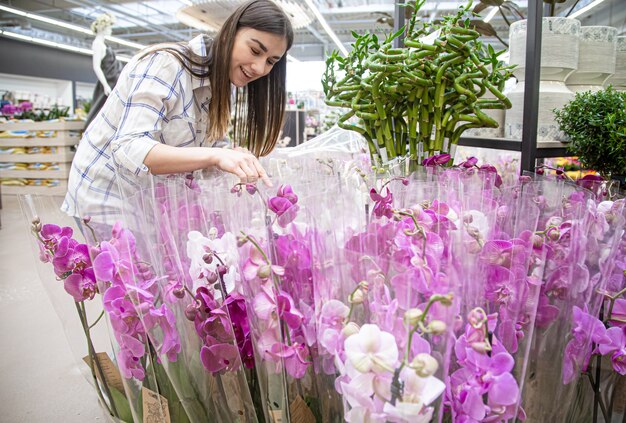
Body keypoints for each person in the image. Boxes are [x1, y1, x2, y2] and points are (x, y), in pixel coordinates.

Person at [62, 0, 293, 223]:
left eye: (271, 61)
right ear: (230, 32)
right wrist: (215, 156)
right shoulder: (166, 64)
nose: (259, 67)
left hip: (148, 200)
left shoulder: (224, 84)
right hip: (105, 196)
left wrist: (229, 156)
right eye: (254, 50)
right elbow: (129, 147)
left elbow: (204, 146)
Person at [85, 13, 123, 127]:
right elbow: (96, 66)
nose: (111, 30)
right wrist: (105, 85)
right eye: (109, 27)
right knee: (100, 111)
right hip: (107, 83)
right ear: (103, 27)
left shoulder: (103, 44)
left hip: (112, 82)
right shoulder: (97, 44)